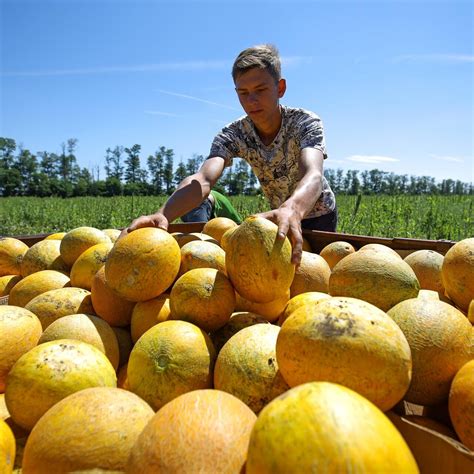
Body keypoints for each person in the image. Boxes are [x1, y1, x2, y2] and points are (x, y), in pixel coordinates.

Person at [121, 44, 337, 264]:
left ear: (280, 88)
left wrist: (293, 208)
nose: (251, 100)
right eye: (243, 93)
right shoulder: (233, 134)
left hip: (317, 214)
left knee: (313, 272)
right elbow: (203, 179)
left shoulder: (304, 122)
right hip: (279, 214)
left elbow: (313, 174)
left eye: (260, 90)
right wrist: (163, 214)